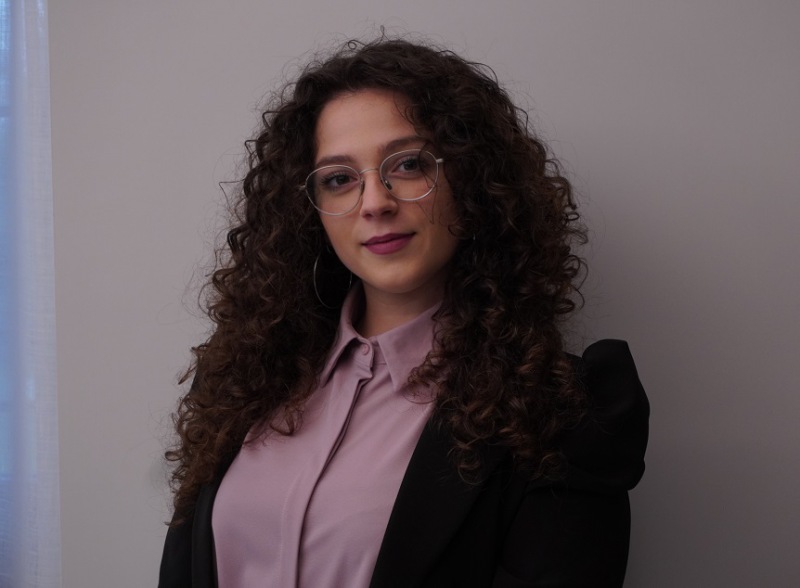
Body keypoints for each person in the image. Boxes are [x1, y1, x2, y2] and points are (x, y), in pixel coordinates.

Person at [158, 36, 649, 588]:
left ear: (471, 179)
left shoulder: (561, 410)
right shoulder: (240, 382)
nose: (375, 202)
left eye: (409, 164)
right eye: (339, 178)